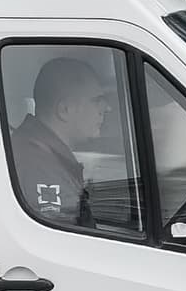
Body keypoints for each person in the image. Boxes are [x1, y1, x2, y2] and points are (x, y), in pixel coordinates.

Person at [8, 51, 122, 230]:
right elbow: (63, 244)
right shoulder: (38, 165)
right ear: (65, 109)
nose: (106, 108)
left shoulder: (42, 154)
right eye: (97, 100)